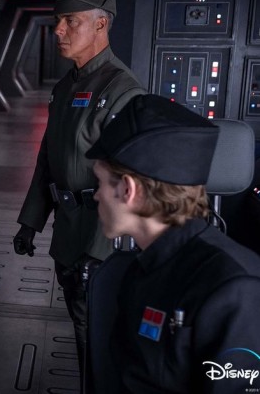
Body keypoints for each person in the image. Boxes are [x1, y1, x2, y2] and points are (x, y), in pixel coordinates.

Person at [12, 0, 146, 375]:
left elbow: (128, 181)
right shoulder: (67, 86)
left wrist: (99, 252)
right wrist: (30, 223)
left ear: (100, 24)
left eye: (71, 21)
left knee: (97, 334)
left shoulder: (121, 89)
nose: (59, 29)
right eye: (59, 20)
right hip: (69, 232)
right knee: (81, 326)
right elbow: (48, 159)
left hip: (100, 238)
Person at [87, 94, 260, 393]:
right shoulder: (138, 269)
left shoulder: (235, 290)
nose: (96, 195)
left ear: (128, 190)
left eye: (100, 183)